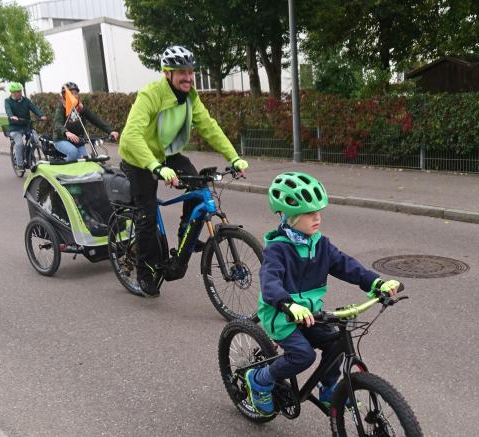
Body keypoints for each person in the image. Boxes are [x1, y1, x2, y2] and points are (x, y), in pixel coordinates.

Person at [244, 172, 401, 416]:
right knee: (302, 356)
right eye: (309, 213)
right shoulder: (277, 250)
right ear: (290, 216)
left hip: (311, 314)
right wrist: (288, 304)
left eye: (318, 211)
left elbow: (347, 265)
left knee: (336, 343)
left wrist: (376, 283)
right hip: (282, 315)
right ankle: (259, 380)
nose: (317, 217)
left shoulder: (320, 244)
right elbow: (270, 282)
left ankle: (328, 390)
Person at [117, 45, 250, 297]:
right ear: (167, 73)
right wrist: (155, 166)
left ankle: (184, 233)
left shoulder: (190, 97)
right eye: (182, 73)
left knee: (198, 185)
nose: (188, 77)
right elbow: (131, 135)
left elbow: (209, 127)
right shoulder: (151, 94)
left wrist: (234, 157)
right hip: (139, 158)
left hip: (167, 154)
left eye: (190, 72)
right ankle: (144, 271)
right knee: (146, 215)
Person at [52, 81, 118, 163]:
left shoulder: (80, 107)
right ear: (64, 96)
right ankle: (65, 170)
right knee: (73, 152)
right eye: (71, 94)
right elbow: (57, 124)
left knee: (85, 161)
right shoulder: (61, 108)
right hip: (61, 139)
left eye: (76, 93)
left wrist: (110, 131)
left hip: (78, 140)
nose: (74, 95)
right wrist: (66, 132)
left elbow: (95, 119)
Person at [4, 82, 47, 169]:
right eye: (17, 92)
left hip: (27, 125)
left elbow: (34, 108)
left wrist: (41, 115)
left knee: (35, 140)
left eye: (20, 91)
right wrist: (12, 116)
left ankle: (29, 156)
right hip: (15, 127)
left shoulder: (25, 100)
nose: (20, 93)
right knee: (19, 144)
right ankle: (19, 164)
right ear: (12, 93)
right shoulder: (8, 101)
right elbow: (8, 110)